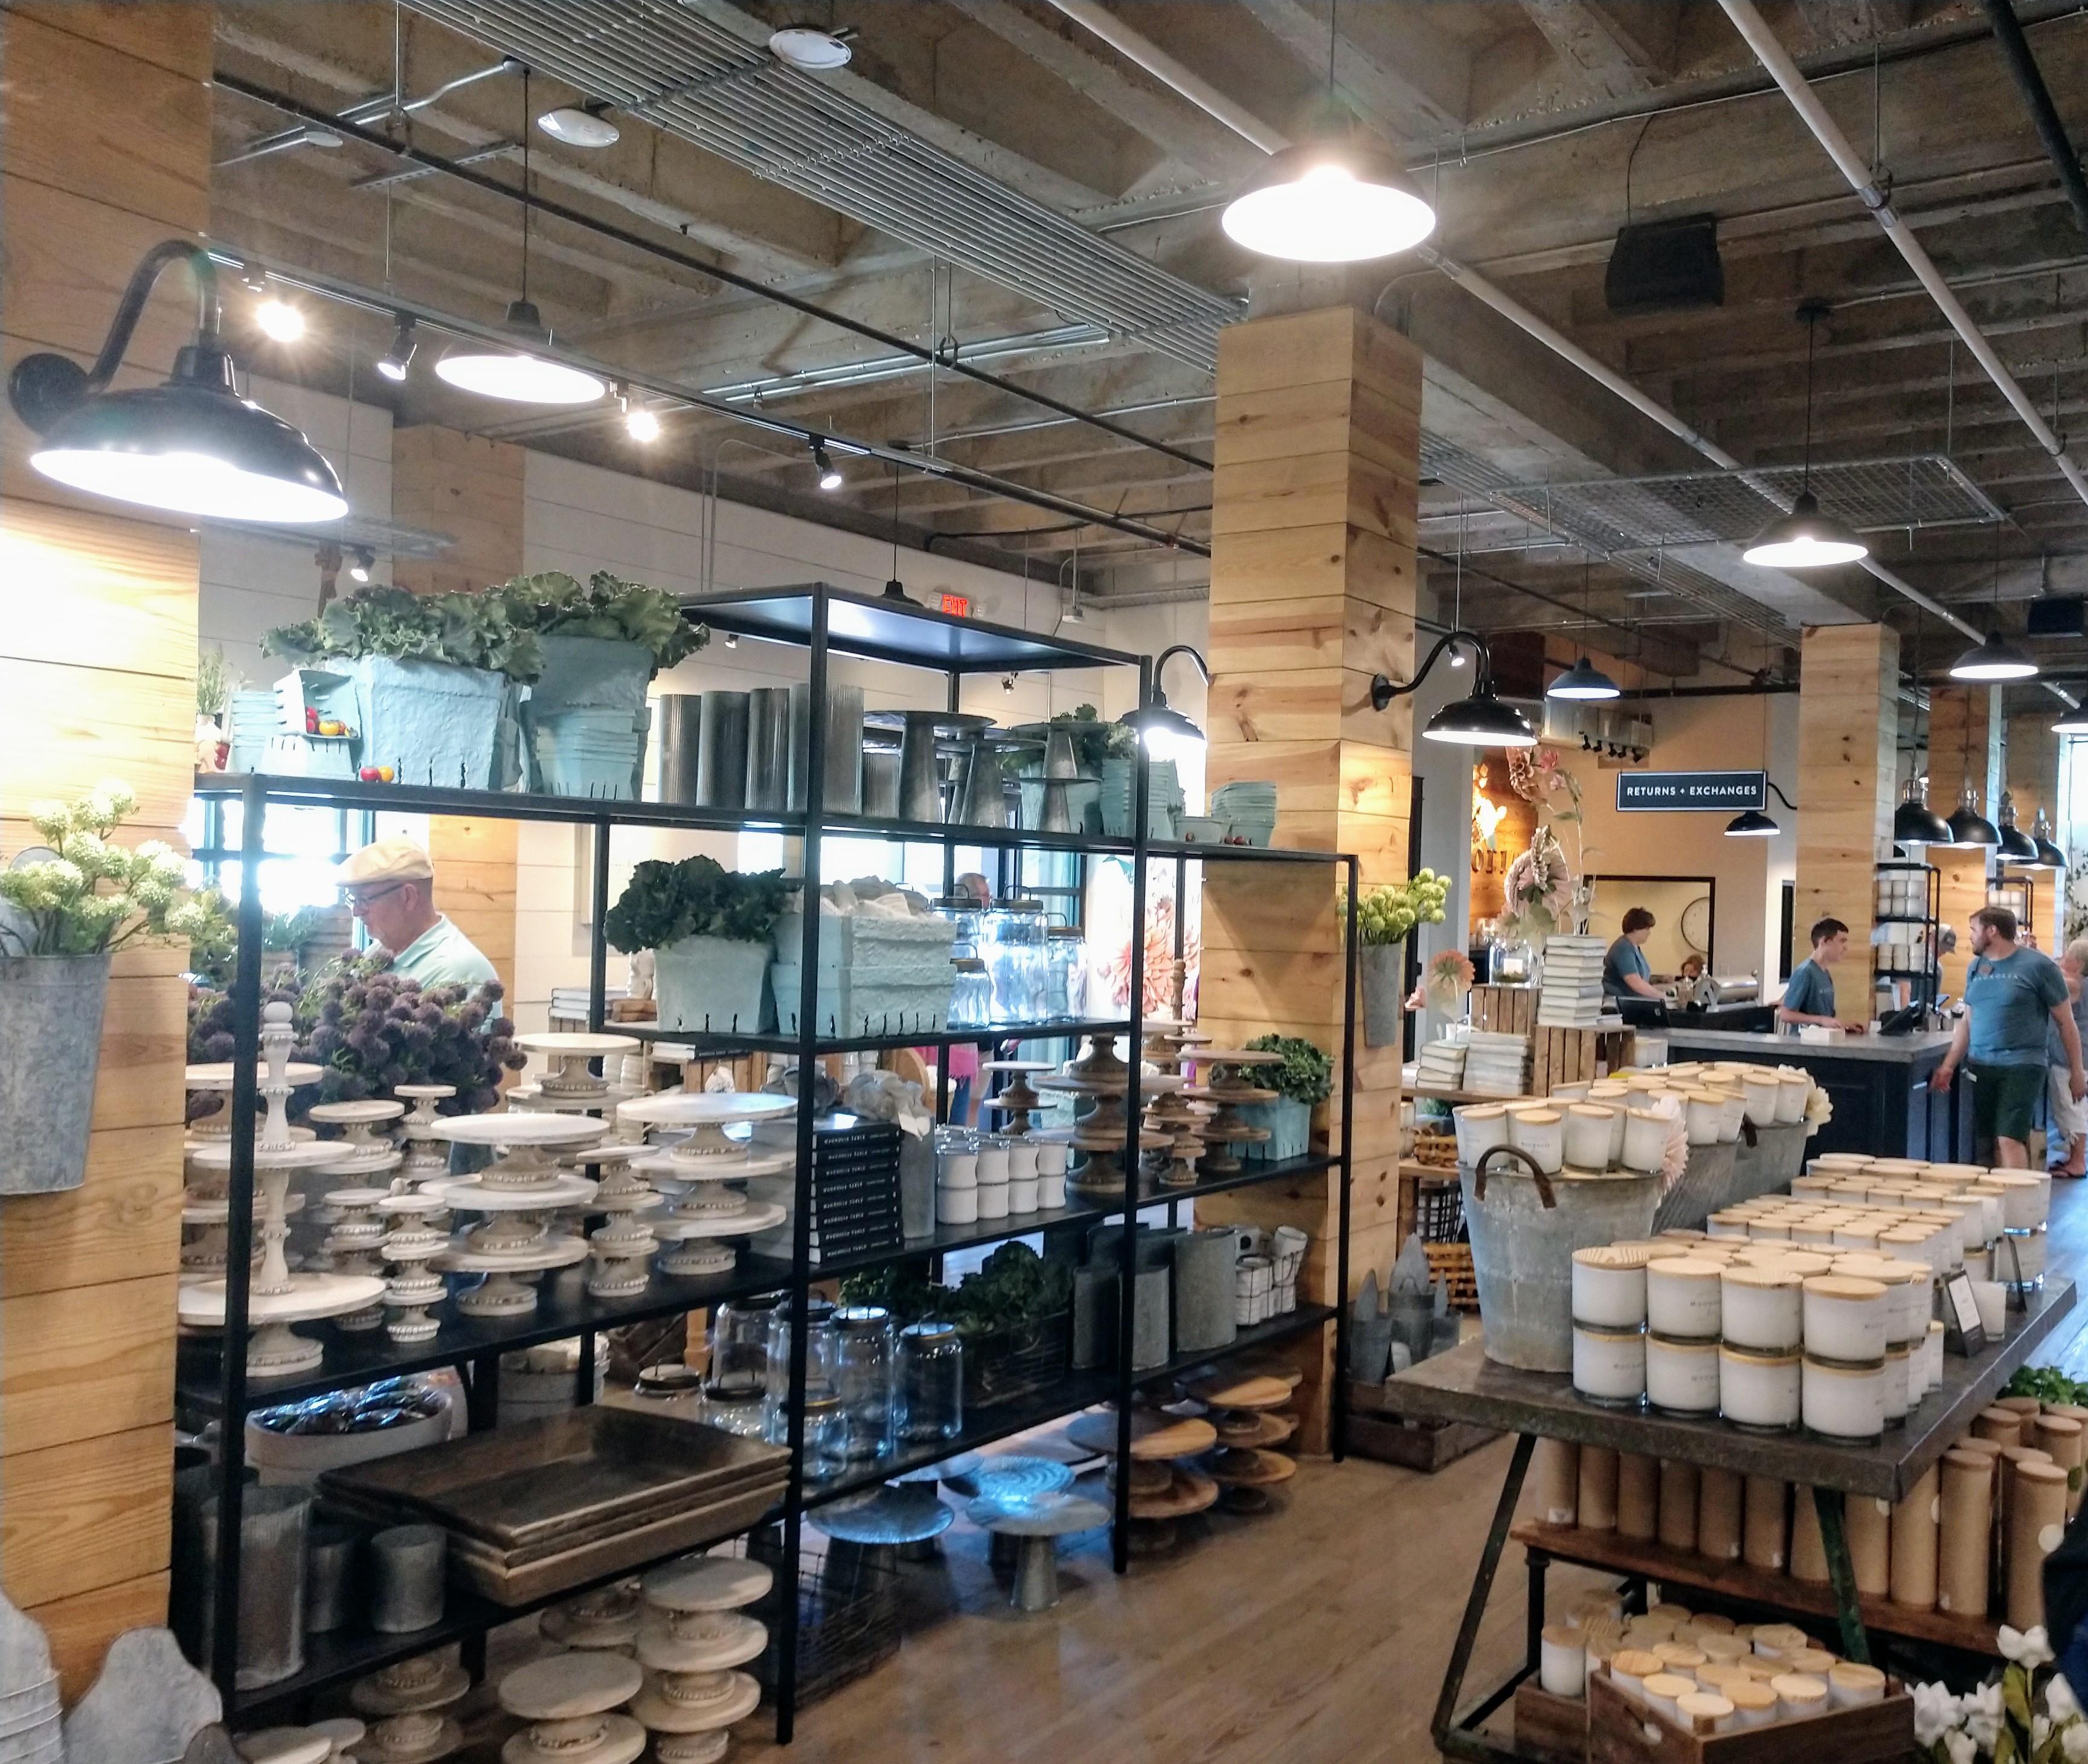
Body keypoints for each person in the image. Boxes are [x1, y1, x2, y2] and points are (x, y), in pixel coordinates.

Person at [1933, 905, 2084, 1169]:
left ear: (1992, 931)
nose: (1970, 936)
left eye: (1974, 930)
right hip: (1981, 1065)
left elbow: (2066, 1023)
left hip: (2022, 1065)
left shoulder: (2039, 967)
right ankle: (1999, 1193)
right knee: (1990, 1141)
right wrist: (1948, 1065)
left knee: (2009, 1139)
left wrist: (2077, 1072)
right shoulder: (1976, 967)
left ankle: (2017, 1195)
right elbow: (1968, 1021)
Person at [336, 837, 498, 988]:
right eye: (353, 900)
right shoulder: (377, 952)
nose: (356, 912)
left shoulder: (458, 971)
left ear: (408, 897)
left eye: (364, 899)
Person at [1777, 917, 1869, 1032]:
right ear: (1824, 941)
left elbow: (1826, 1018)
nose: (1846, 947)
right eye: (1842, 941)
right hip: (1805, 1041)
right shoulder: (1804, 972)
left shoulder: (1825, 974)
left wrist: (1845, 1025)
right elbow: (1786, 1015)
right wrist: (1821, 1020)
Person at [2048, 938, 2088, 1179]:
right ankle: (2075, 1158)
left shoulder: (2074, 985)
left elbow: (2049, 978)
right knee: (2076, 1107)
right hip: (2080, 1056)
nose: (2063, 959)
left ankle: (2078, 1161)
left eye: (2067, 956)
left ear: (2078, 962)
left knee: (2072, 1108)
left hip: (2070, 1059)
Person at [1603, 907, 1663, 1001]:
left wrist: (1661, 979)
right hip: (1619, 1002)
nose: (1649, 933)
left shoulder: (1634, 948)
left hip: (1631, 1000)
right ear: (1636, 928)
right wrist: (1662, 996)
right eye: (1647, 929)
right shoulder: (1623, 948)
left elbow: (1641, 977)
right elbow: (1635, 982)